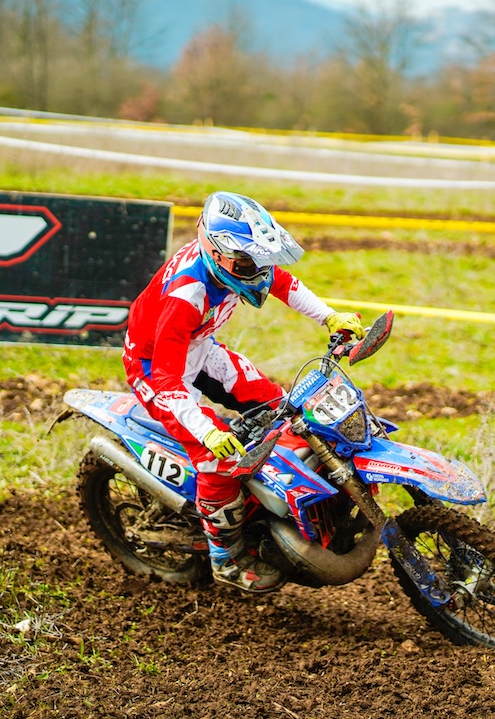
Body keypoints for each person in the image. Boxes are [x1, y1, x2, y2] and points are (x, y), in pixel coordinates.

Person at [122, 191, 365, 593]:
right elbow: (166, 378)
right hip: (156, 370)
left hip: (199, 349)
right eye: (248, 264)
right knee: (217, 459)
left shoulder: (232, 266)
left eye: (260, 261)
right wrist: (207, 431)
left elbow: (282, 282)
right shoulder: (187, 297)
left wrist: (329, 316)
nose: (258, 273)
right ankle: (226, 557)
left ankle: (274, 505)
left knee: (282, 408)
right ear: (217, 254)